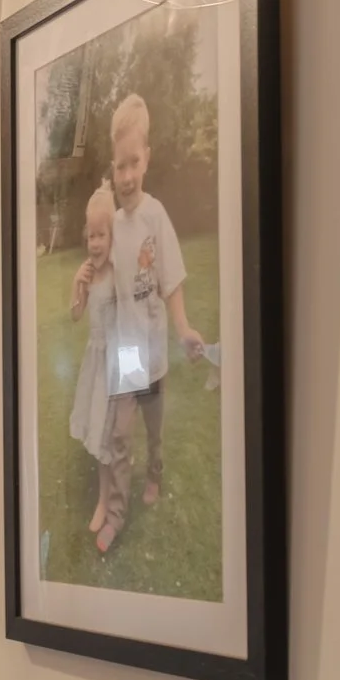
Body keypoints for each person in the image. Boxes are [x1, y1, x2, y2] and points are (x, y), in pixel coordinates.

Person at [102, 93, 210, 522]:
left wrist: (182, 327)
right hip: (127, 351)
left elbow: (172, 280)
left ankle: (155, 472)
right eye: (119, 165)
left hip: (155, 352)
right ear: (113, 167)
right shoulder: (112, 224)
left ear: (146, 158)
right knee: (122, 430)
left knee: (153, 428)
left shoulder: (155, 216)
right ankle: (117, 504)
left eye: (133, 163)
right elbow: (100, 273)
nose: (127, 175)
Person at [66, 183, 130, 551]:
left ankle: (109, 500)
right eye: (90, 236)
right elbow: (76, 316)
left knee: (111, 434)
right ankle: (104, 497)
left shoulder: (118, 273)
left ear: (112, 236)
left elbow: (131, 318)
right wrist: (77, 286)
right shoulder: (89, 274)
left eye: (101, 235)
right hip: (95, 362)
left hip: (115, 363)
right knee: (98, 431)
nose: (94, 244)